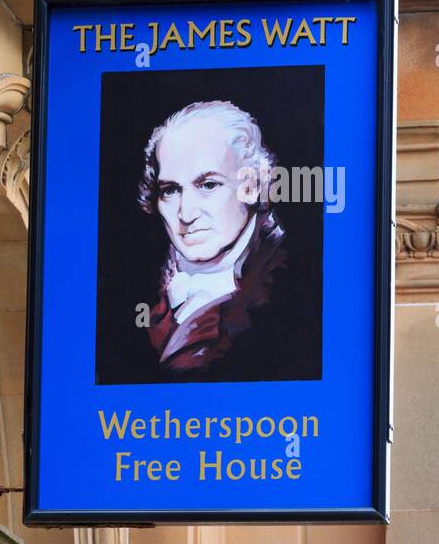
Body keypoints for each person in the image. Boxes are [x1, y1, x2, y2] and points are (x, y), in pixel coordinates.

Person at [134, 100, 317, 380]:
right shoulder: (142, 290)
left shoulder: (296, 290)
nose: (186, 213)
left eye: (208, 185)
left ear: (252, 185)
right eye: (170, 190)